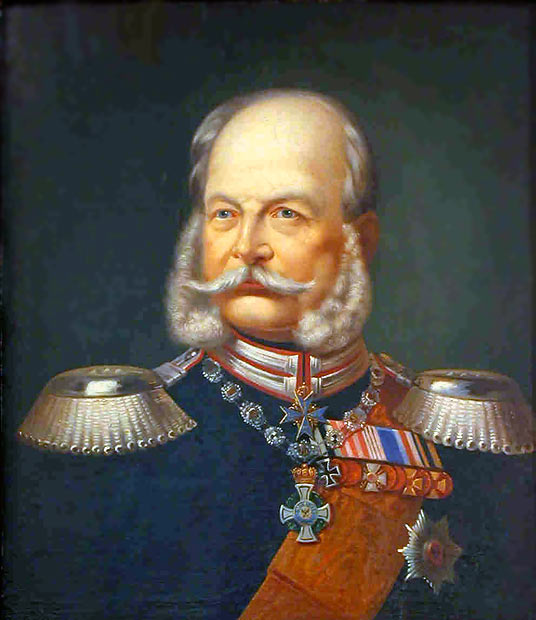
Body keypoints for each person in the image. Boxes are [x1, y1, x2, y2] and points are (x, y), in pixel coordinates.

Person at [13, 90, 455, 620]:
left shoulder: (435, 426)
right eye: (225, 213)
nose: (247, 246)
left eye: (285, 213)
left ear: (360, 240)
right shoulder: (118, 435)